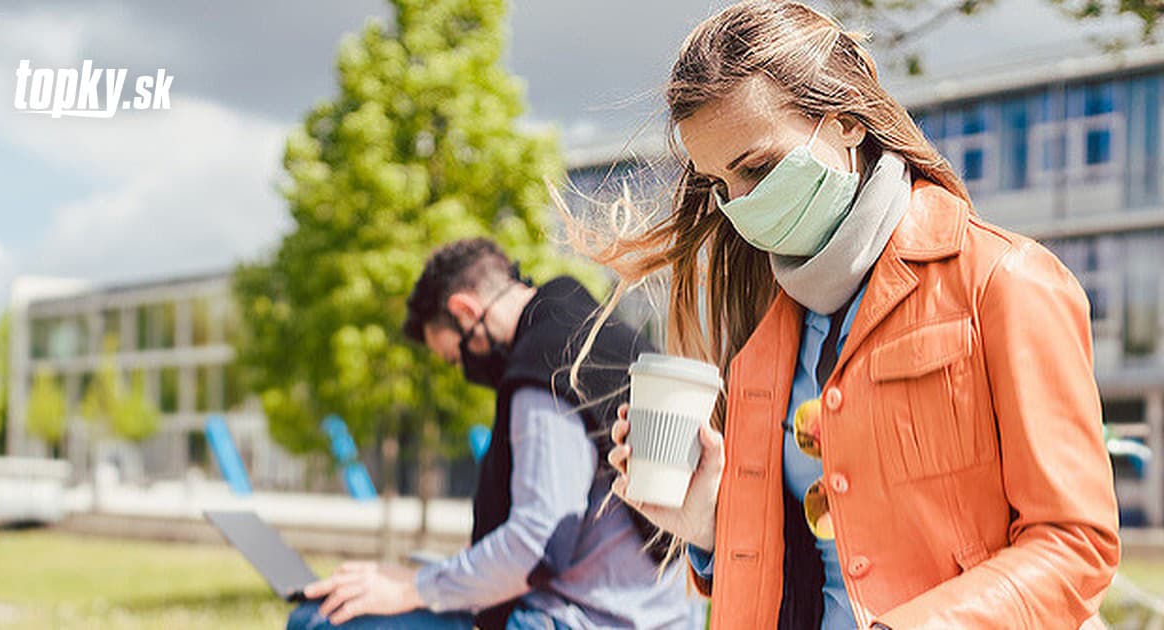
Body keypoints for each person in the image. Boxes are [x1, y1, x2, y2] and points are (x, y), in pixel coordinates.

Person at [574, 2, 1121, 628]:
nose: (743, 207)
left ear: (847, 122)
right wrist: (704, 525)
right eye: (721, 184)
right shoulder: (759, 335)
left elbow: (1076, 544)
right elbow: (790, 573)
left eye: (758, 167)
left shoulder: (1005, 280)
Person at [287, 238, 691, 630]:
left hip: (576, 618)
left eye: (456, 357)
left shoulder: (542, 373)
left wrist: (411, 587)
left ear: (465, 310)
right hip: (652, 611)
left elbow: (538, 546)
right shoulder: (592, 329)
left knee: (318, 620)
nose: (467, 371)